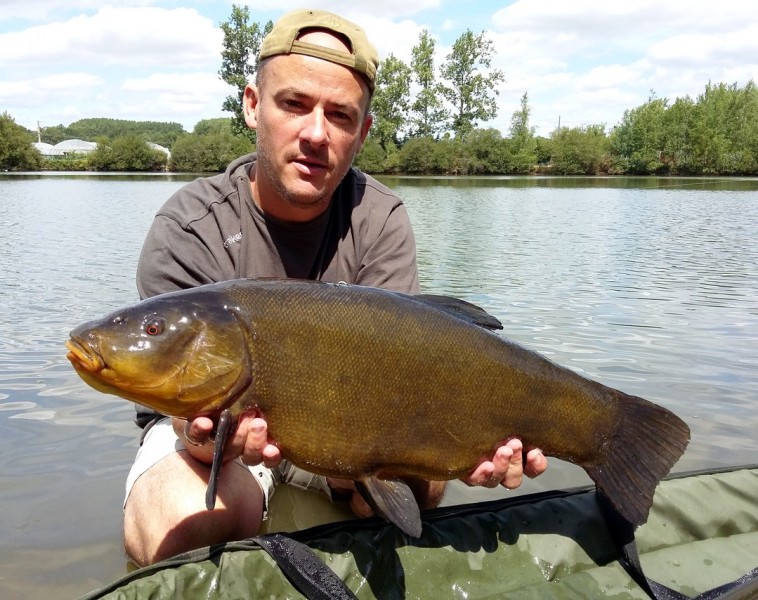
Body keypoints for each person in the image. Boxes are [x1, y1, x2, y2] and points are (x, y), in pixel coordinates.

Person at [123, 8, 548, 567]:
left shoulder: (379, 218)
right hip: (215, 445)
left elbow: (412, 375)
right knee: (184, 521)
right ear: (253, 105)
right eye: (294, 104)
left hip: (348, 433)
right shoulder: (189, 225)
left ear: (363, 131)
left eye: (341, 115)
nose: (316, 134)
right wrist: (204, 436)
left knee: (428, 484)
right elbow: (171, 410)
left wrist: (446, 450)